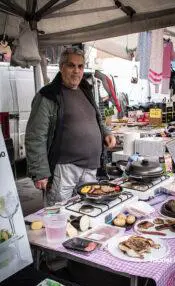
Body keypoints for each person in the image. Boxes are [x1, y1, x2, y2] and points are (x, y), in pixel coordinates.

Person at [25, 47, 116, 205]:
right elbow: (35, 136)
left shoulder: (85, 90)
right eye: (71, 65)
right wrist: (39, 173)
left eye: (80, 66)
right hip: (63, 170)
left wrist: (106, 133)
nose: (76, 71)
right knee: (60, 215)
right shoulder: (48, 95)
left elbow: (97, 119)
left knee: (86, 214)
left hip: (90, 169)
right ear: (61, 67)